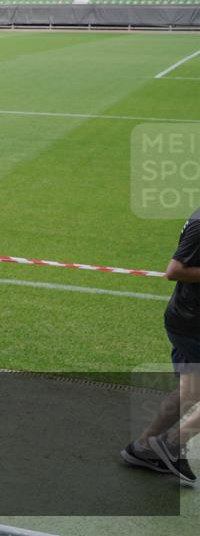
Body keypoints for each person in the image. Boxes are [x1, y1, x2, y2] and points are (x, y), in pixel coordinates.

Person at [121, 207, 199, 487]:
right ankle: (173, 442)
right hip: (193, 323)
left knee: (191, 389)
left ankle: (143, 449)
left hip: (187, 318)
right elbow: (175, 270)